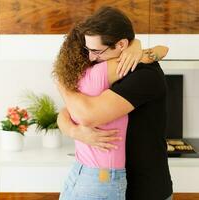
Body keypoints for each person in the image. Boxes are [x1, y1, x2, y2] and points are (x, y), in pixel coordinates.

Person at [55, 7, 172, 200]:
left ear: (121, 45)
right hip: (109, 184)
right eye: (88, 50)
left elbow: (87, 115)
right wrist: (75, 131)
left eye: (96, 51)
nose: (91, 58)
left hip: (145, 191)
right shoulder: (104, 70)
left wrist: (62, 83)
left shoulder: (144, 75)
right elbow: (67, 111)